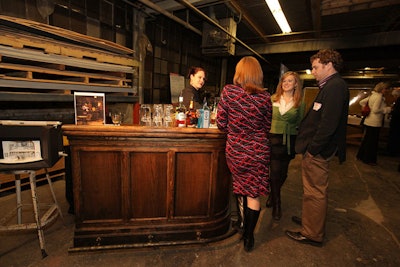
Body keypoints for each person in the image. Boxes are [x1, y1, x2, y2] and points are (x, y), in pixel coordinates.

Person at [286, 49, 349, 247]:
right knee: (311, 190)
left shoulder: (335, 87)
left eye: (315, 67)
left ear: (329, 65)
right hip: (317, 149)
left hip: (319, 151)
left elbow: (328, 125)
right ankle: (309, 221)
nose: (312, 71)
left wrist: (313, 149)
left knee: (315, 192)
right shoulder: (329, 86)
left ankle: (311, 233)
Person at [217, 56, 272, 252]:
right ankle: (249, 237)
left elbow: (221, 124)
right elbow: (267, 127)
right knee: (253, 194)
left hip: (237, 150)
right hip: (259, 150)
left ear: (239, 72)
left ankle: (241, 224)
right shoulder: (266, 98)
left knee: (240, 186)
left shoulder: (229, 92)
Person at [266, 71, 305, 221]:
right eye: (284, 81)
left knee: (283, 174)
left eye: (290, 81)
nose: (286, 83)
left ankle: (272, 194)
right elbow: (266, 119)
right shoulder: (272, 99)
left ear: (296, 84)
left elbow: (300, 123)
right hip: (273, 140)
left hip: (289, 142)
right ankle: (277, 204)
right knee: (274, 173)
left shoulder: (300, 103)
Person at [356, 82, 390, 165]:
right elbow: (375, 110)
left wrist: (366, 108)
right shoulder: (379, 97)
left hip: (368, 120)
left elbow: (362, 102)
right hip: (375, 122)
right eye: (386, 89)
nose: (387, 91)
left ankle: (361, 156)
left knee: (367, 140)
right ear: (382, 89)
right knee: (372, 142)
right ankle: (368, 159)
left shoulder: (372, 95)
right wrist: (386, 109)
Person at [386, 87, 400, 157]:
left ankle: (392, 151)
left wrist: (391, 111)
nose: (394, 97)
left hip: (397, 123)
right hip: (396, 122)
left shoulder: (399, 101)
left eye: (394, 96)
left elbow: (397, 112)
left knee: (394, 137)